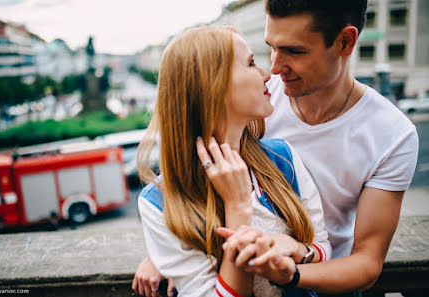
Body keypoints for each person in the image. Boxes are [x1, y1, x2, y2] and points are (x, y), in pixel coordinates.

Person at [133, 0, 419, 295]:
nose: (274, 68)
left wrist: (291, 270)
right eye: (270, 47)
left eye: (295, 51)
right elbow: (191, 183)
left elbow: (366, 263)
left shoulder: (392, 134)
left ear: (345, 42)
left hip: (324, 281)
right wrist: (169, 249)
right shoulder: (260, 99)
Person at [133, 26, 331, 297]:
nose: (267, 74)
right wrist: (237, 207)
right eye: (251, 63)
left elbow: (322, 247)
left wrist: (296, 249)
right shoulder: (159, 202)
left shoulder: (283, 158)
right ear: (212, 84)